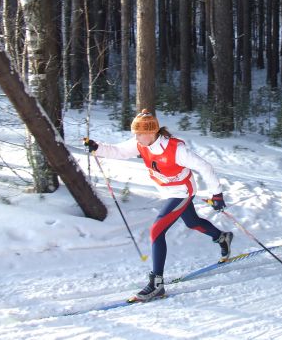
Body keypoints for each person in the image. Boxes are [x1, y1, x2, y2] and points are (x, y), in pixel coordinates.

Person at [84, 109, 233, 301]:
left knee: (156, 230)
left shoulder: (175, 150)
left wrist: (217, 194)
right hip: (169, 192)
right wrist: (98, 147)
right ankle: (222, 237)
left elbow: (205, 167)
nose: (135, 136)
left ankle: (157, 284)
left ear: (151, 132)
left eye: (138, 133)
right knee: (192, 222)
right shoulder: (140, 144)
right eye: (135, 132)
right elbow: (119, 151)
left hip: (182, 192)